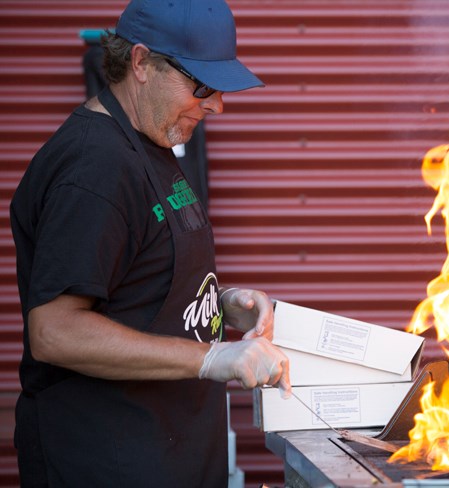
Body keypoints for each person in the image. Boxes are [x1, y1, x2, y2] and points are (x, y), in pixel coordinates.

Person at [9, 0, 291, 486]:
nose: (217, 104)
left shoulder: (152, 140)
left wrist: (221, 307)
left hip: (171, 457)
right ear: (140, 63)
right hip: (109, 463)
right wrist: (209, 357)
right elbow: (54, 331)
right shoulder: (94, 168)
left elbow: (137, 285)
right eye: (201, 85)